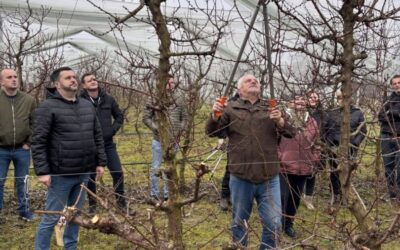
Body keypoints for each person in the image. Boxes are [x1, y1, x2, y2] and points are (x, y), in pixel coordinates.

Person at [206, 74, 294, 249]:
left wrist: (280, 121)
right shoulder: (230, 108)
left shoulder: (271, 108)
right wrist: (215, 116)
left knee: (274, 223)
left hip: (269, 178)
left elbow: (291, 133)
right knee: (239, 222)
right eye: (248, 80)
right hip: (241, 177)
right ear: (239, 89)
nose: (253, 81)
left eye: (256, 80)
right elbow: (212, 132)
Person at [32, 67, 106, 250]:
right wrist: (42, 171)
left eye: (74, 77)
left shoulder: (86, 105)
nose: (73, 80)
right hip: (60, 174)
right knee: (52, 216)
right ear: (57, 84)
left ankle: (70, 247)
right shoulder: (47, 107)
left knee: (75, 216)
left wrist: (100, 162)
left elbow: (97, 135)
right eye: (68, 78)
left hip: (84, 171)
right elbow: (39, 141)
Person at [80, 73, 132, 215]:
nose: (93, 81)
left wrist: (111, 130)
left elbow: (119, 116)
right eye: (89, 80)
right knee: (91, 176)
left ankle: (121, 204)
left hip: (107, 144)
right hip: (90, 145)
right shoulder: (80, 100)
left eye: (94, 79)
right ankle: (92, 206)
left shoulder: (108, 99)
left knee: (118, 172)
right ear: (84, 85)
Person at [279, 94, 320, 238]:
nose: (300, 102)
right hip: (283, 166)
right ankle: (278, 224)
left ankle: (288, 224)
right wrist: (279, 157)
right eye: (296, 99)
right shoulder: (281, 120)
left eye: (303, 99)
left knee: (295, 199)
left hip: (303, 167)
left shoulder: (312, 121)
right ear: (289, 102)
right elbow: (273, 141)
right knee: (283, 197)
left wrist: (314, 159)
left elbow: (318, 143)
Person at [142, 75, 188, 201]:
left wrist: (180, 131)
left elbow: (184, 118)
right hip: (158, 140)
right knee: (156, 166)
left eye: (173, 83)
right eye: (168, 83)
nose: (171, 85)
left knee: (171, 167)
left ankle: (169, 194)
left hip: (174, 140)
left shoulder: (179, 98)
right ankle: (154, 194)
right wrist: (157, 129)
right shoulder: (153, 98)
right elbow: (146, 118)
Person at [0, 68, 37, 221]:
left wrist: (29, 142)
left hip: (22, 149)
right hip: (1, 149)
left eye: (15, 76)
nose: (14, 79)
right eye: (9, 77)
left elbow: (35, 123)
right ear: (2, 81)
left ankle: (24, 211)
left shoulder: (29, 100)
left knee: (23, 181)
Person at [324, 89, 366, 203]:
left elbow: (363, 131)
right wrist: (329, 144)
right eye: (339, 97)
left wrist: (355, 143)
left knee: (346, 173)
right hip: (333, 148)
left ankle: (346, 195)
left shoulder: (357, 113)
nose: (341, 100)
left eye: (343, 97)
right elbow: (325, 131)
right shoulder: (331, 113)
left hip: (350, 148)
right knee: (334, 172)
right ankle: (336, 193)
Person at [303, 91, 326, 210]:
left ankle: (308, 199)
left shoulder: (322, 114)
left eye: (315, 97)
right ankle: (297, 194)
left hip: (316, 147)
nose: (312, 99)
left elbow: (325, 130)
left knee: (312, 173)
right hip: (301, 146)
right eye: (310, 97)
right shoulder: (302, 111)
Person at [378, 74, 400, 199]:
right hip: (386, 137)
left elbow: (388, 115)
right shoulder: (388, 100)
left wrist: (391, 113)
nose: (397, 85)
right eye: (394, 83)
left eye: (399, 83)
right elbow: (381, 116)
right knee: (388, 167)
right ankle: (392, 194)